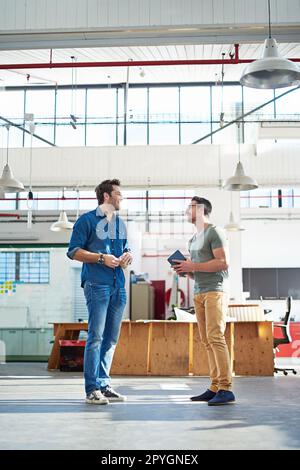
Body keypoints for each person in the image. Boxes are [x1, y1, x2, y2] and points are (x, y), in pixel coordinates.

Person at [67, 179, 133, 405]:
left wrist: (127, 256)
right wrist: (101, 258)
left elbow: (124, 249)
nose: (121, 198)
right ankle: (91, 389)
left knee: (111, 339)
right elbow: (73, 251)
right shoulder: (86, 220)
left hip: (118, 286)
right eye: (119, 194)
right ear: (106, 196)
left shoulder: (119, 224)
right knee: (95, 338)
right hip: (97, 285)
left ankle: (103, 385)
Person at [173, 196, 235, 406]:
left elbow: (223, 263)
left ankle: (226, 389)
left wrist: (193, 267)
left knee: (216, 337)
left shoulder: (215, 231)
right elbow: (197, 271)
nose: (185, 211)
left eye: (189, 207)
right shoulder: (193, 239)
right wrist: (185, 270)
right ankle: (215, 386)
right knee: (207, 340)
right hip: (199, 291)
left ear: (200, 210)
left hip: (215, 291)